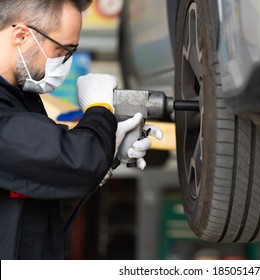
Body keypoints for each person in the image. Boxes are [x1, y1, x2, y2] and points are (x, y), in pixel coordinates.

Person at [0, 0, 162, 259]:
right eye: (62, 50)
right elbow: (76, 160)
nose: (65, 63)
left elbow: (48, 171)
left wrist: (107, 150)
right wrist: (99, 109)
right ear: (21, 35)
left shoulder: (22, 101)